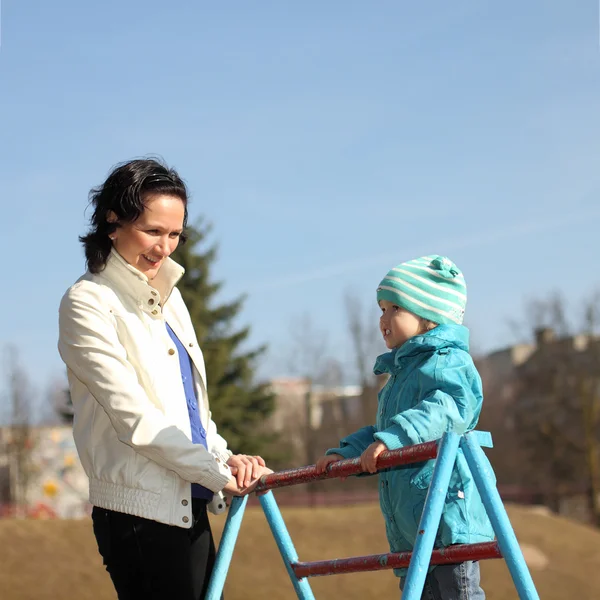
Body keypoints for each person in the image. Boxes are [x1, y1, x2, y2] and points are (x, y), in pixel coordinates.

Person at [58, 158, 271, 600]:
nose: (165, 248)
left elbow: (191, 409)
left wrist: (223, 456)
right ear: (112, 222)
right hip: (137, 513)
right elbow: (134, 416)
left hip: (188, 503)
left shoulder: (172, 301)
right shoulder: (87, 302)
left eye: (175, 234)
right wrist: (213, 471)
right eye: (153, 231)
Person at [316, 255, 494, 600]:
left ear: (428, 314)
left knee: (459, 593)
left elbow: (449, 408)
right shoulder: (400, 375)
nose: (383, 319)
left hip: (447, 517)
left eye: (394, 308)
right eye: (381, 309)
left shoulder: (448, 361)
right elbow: (384, 430)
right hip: (414, 529)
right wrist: (346, 452)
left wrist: (394, 438)